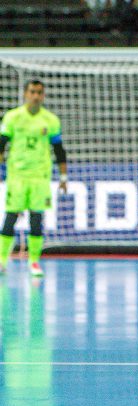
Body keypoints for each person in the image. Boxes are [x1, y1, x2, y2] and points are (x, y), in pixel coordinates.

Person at [0, 80, 68, 278]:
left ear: (43, 95)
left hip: (40, 177)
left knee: (36, 220)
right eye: (32, 92)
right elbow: (1, 144)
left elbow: (59, 150)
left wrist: (63, 176)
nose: (35, 96)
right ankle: (2, 260)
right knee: (10, 217)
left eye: (39, 92)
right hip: (17, 176)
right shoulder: (12, 117)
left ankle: (34, 262)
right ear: (25, 94)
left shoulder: (50, 120)